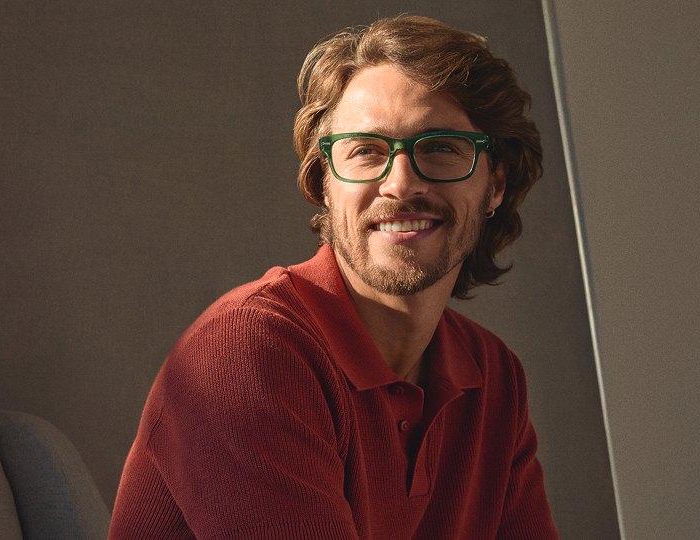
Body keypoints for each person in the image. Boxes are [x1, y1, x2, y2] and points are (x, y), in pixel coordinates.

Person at [108, 15, 559, 540]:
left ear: (496, 183)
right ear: (325, 181)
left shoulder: (494, 376)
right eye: (366, 151)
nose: (399, 184)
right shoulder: (243, 352)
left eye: (439, 147)